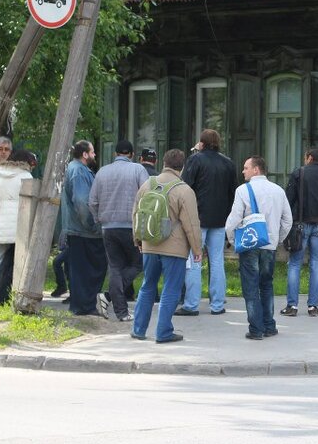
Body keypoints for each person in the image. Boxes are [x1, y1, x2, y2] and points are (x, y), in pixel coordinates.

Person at [130, 149, 203, 344]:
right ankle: (163, 332)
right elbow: (191, 224)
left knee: (147, 286)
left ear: (164, 163)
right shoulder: (184, 190)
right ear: (183, 166)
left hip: (149, 244)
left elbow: (136, 214)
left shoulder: (147, 185)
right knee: (171, 288)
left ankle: (138, 329)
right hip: (174, 249)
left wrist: (138, 239)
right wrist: (197, 250)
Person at [225, 156, 292, 339]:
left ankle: (256, 329)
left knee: (251, 287)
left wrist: (231, 238)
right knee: (267, 285)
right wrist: (277, 239)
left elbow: (234, 218)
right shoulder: (278, 190)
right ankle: (269, 326)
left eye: (246, 168)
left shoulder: (243, 190)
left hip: (249, 244)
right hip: (269, 245)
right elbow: (288, 220)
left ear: (256, 170)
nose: (243, 171)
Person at [88, 139, 149, 322]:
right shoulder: (138, 170)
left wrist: (98, 218)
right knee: (139, 264)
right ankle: (109, 297)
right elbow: (147, 196)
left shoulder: (102, 172)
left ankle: (120, 311)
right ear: (131, 154)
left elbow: (92, 201)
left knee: (115, 268)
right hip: (131, 226)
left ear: (115, 153)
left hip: (108, 227)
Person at [178, 129, 236, 317]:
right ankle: (217, 304)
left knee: (195, 260)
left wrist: (194, 152)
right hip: (220, 219)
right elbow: (231, 194)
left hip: (198, 218)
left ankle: (191, 304)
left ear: (201, 143)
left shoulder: (196, 160)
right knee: (217, 261)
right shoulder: (228, 163)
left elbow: (184, 186)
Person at [283, 147, 318, 316]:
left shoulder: (299, 173)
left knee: (295, 264)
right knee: (317, 264)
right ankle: (313, 306)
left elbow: (288, 199)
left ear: (308, 158)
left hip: (300, 224)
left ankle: (292, 306)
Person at [0, 148, 36, 306]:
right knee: (20, 262)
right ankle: (16, 295)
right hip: (21, 224)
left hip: (2, 223)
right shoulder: (26, 176)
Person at [63, 140, 107, 318]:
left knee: (82, 270)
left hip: (79, 229)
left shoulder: (77, 169)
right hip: (84, 231)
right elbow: (82, 201)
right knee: (88, 269)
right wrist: (91, 224)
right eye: (93, 152)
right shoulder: (79, 171)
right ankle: (84, 306)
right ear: (85, 154)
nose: (95, 155)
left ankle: (83, 305)